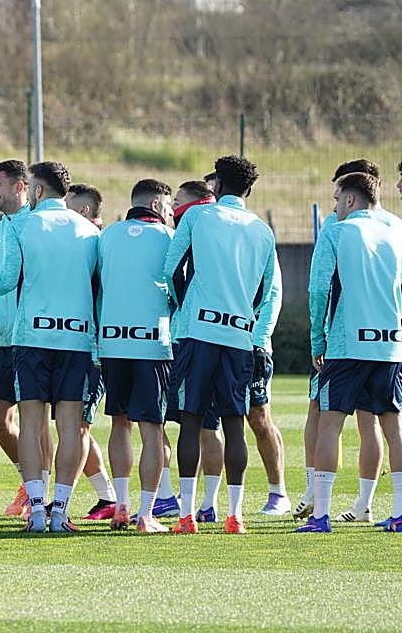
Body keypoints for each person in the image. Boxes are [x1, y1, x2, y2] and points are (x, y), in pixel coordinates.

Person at [0, 161, 99, 533]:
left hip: (32, 339)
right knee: (70, 427)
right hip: (76, 338)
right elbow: (96, 287)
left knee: (30, 424)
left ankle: (37, 512)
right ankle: (61, 513)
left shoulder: (21, 227)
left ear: (37, 190)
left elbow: (5, 282)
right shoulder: (89, 231)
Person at [163, 154, 281, 534]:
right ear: (248, 189)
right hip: (239, 337)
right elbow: (265, 290)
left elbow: (171, 269)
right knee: (234, 424)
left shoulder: (198, 216)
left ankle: (186, 516)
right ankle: (235, 515)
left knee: (191, 420)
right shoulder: (262, 230)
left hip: (198, 333)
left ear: (216, 184)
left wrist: (187, 307)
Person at [299, 171, 402, 533]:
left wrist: (317, 341)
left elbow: (318, 290)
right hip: (390, 344)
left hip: (346, 344)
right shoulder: (398, 229)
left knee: (330, 423)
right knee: (393, 426)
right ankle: (399, 512)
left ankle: (321, 516)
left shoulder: (337, 232)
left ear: (350, 199)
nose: (334, 206)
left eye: (336, 198)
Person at [96, 179, 175, 533]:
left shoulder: (107, 236)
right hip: (152, 343)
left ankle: (121, 506)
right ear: (157, 205)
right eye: (169, 207)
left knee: (119, 423)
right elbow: (178, 289)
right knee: (152, 428)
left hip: (112, 342)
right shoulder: (169, 238)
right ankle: (146, 513)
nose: (172, 214)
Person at [156, 180, 226, 522]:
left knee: (173, 420)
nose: (173, 208)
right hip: (223, 336)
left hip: (187, 337)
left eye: (179, 201)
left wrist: (182, 304)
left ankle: (175, 499)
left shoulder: (192, 227)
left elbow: (171, 272)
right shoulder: (234, 231)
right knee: (209, 424)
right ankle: (207, 503)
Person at [62, 183, 118, 522]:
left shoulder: (98, 245)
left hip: (94, 349)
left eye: (67, 205)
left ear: (83, 211)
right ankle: (107, 496)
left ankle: (64, 502)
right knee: (74, 426)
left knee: (78, 426)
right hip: (76, 345)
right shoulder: (84, 243)